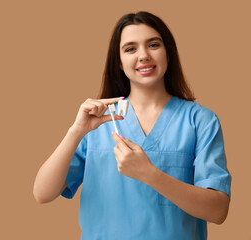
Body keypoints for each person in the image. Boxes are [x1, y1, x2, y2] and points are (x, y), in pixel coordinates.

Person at [33, 11, 231, 240]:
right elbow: (42, 193)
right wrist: (75, 132)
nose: (144, 55)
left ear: (169, 54)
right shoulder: (97, 122)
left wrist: (150, 174)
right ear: (118, 61)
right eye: (130, 49)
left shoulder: (200, 121)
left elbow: (218, 211)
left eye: (153, 45)